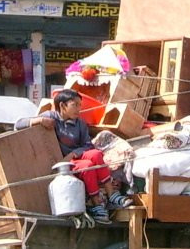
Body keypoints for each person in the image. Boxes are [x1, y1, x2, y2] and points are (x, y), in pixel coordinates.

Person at [15, 88, 117, 224]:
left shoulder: (80, 124)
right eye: (74, 105)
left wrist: (73, 154)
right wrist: (39, 120)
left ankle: (112, 195)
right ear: (62, 106)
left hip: (75, 158)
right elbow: (18, 124)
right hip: (63, 166)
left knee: (97, 154)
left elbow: (88, 145)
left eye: (80, 105)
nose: (78, 109)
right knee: (87, 166)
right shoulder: (51, 116)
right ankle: (97, 205)